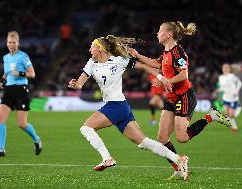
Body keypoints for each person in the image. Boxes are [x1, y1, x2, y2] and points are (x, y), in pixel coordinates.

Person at [68, 35, 189, 180]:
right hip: (119, 107)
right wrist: (75, 85)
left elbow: (143, 66)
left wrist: (161, 78)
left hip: (116, 105)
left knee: (86, 128)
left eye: (92, 46)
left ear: (100, 48)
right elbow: (81, 83)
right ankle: (178, 159)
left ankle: (107, 158)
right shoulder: (91, 63)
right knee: (144, 143)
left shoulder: (118, 61)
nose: (89, 49)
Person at [128, 21, 232, 179]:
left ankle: (211, 116)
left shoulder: (178, 52)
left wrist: (165, 81)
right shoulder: (166, 52)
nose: (157, 33)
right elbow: (156, 64)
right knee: (162, 138)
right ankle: (178, 167)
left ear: (168, 34)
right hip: (171, 98)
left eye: (160, 31)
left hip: (184, 96)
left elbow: (184, 75)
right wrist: (137, 55)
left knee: (182, 138)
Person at [0, 31, 42, 156]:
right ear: (6, 43)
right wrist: (2, 82)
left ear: (17, 43)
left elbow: (32, 74)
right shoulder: (5, 58)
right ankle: (1, 148)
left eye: (14, 42)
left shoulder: (23, 56)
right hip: (8, 90)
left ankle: (36, 139)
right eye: (9, 42)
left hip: (21, 90)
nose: (11, 44)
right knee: (0, 119)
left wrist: (19, 73)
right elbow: (6, 73)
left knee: (22, 124)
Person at [218, 63, 242, 132]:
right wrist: (219, 90)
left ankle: (234, 126)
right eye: (224, 68)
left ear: (229, 69)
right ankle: (233, 126)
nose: (225, 69)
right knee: (226, 114)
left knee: (231, 115)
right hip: (226, 98)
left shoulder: (232, 76)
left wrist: (236, 92)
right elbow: (223, 87)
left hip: (233, 98)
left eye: (226, 68)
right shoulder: (221, 77)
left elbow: (240, 83)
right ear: (222, 69)